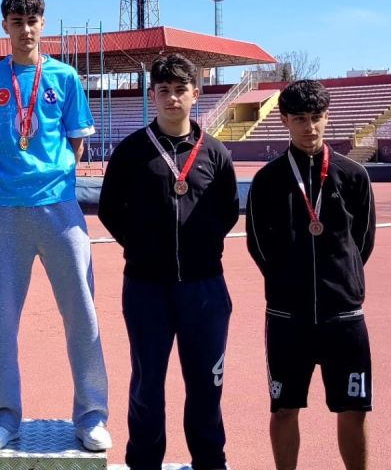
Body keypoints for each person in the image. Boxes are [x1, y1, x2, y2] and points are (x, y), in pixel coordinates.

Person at [0, 0, 110, 452]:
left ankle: (91, 416)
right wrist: (14, 177)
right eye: (17, 21)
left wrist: (49, 177)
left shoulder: (65, 77)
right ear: (5, 26)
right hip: (3, 210)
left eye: (32, 21)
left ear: (43, 24)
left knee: (82, 314)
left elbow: (76, 143)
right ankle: (3, 417)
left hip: (59, 209)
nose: (25, 29)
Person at [99, 54, 240, 470]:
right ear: (152, 95)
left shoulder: (215, 153)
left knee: (206, 385)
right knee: (147, 386)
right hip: (146, 287)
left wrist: (202, 247)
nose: (172, 98)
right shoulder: (131, 152)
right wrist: (141, 247)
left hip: (204, 287)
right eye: (164, 90)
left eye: (181, 90)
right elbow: (110, 209)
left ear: (195, 94)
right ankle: (144, 463)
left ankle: (210, 462)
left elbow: (227, 211)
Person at [245, 80, 376, 470]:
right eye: (300, 118)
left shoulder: (353, 175)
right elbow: (258, 244)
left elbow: (363, 241)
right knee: (284, 408)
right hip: (288, 317)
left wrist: (342, 280)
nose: (310, 127)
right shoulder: (267, 180)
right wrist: (287, 282)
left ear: (327, 117)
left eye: (316, 117)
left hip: (344, 317)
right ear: (284, 120)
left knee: (354, 409)